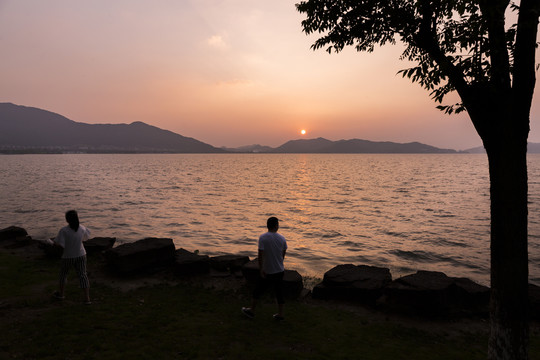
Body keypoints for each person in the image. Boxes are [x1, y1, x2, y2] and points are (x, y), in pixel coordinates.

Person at [242, 216, 287, 320]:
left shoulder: (263, 237)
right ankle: (280, 314)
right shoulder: (282, 238)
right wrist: (279, 264)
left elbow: (260, 255)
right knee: (279, 293)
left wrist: (261, 269)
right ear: (276, 226)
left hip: (268, 271)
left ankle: (252, 310)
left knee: (258, 291)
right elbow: (282, 255)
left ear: (267, 225)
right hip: (279, 270)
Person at [52, 210, 92, 304]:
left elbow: (60, 245)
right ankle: (87, 299)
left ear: (67, 220)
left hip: (68, 256)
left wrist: (52, 243)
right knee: (83, 275)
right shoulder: (82, 228)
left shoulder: (64, 230)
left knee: (63, 274)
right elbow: (85, 238)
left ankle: (61, 294)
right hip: (81, 255)